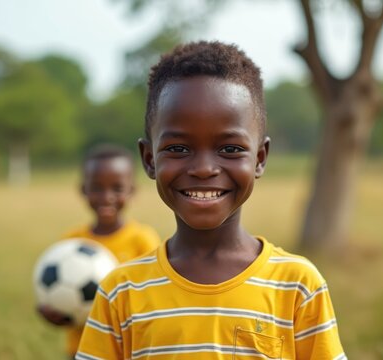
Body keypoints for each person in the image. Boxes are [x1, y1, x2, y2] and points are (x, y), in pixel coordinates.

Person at [76, 41, 346, 359]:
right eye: (178, 148)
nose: (204, 169)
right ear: (149, 159)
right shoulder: (121, 291)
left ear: (260, 158)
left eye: (230, 149)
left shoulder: (298, 285)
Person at [38, 144, 160, 358]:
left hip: (130, 350)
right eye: (97, 188)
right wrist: (55, 312)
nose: (107, 196)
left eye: (117, 188)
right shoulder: (71, 242)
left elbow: (157, 295)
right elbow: (57, 299)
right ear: (83, 190)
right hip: (82, 350)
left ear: (132, 191)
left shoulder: (142, 240)